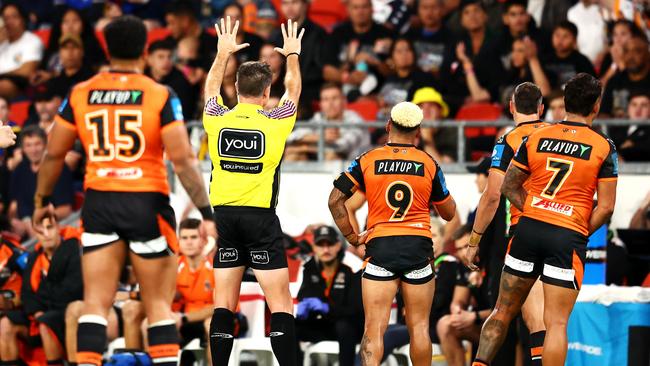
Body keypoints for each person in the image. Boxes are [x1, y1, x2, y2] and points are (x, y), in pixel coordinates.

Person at [32, 15, 215, 366]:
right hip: (146, 201)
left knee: (95, 304)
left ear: (105, 49)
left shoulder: (81, 93)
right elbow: (183, 161)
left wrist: (41, 200)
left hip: (100, 200)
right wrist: (206, 213)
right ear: (145, 50)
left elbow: (54, 153)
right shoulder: (160, 94)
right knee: (158, 304)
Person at [469, 73, 618, 366]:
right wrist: (576, 229)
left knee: (501, 310)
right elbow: (607, 207)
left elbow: (507, 187)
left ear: (563, 103)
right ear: (597, 106)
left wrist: (537, 211)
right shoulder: (604, 146)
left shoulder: (536, 137)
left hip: (527, 230)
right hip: (566, 236)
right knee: (556, 324)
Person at [202, 17, 303, 366]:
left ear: (236, 87)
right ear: (265, 92)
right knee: (280, 304)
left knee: (222, 303)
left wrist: (222, 54)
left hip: (224, 219)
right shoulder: (276, 121)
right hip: (260, 220)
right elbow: (294, 91)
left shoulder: (216, 117)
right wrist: (292, 55)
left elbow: (210, 91)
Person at [328, 101, 457, 366]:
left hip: (381, 247)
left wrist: (353, 238)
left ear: (388, 126)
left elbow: (334, 201)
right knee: (419, 327)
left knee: (373, 329)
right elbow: (449, 213)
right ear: (418, 131)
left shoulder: (367, 159)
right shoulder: (428, 163)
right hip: (418, 247)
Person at [464, 82, 550, 366]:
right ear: (541, 108)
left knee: (505, 310)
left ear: (511, 107)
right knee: (548, 320)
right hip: (561, 231)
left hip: (525, 231)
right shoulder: (557, 135)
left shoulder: (509, 140)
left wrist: (473, 241)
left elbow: (491, 196)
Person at [0, 215, 82, 366]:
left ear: (58, 228)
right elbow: (27, 293)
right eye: (40, 230)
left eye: (49, 228)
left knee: (46, 322)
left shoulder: (74, 249)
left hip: (66, 310)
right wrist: (36, 311)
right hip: (38, 313)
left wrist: (40, 305)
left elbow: (72, 290)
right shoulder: (34, 257)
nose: (46, 234)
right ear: (35, 234)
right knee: (5, 324)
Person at [296, 225, 363, 366]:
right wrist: (304, 306)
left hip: (351, 328)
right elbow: (304, 294)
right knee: (291, 326)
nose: (326, 250)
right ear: (314, 247)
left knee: (344, 326)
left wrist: (327, 308)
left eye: (330, 244)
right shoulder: (309, 268)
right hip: (324, 325)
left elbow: (355, 310)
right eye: (321, 245)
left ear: (338, 245)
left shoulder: (352, 267)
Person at [438, 225, 493, 366]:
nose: (464, 253)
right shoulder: (465, 265)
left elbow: (506, 310)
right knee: (445, 325)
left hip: (502, 326)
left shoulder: (494, 263)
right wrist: (457, 309)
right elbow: (459, 300)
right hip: (480, 324)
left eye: (466, 246)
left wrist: (474, 316)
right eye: (459, 249)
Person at [9, 126, 74, 238]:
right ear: (23, 149)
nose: (33, 150)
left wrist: (40, 222)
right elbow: (14, 206)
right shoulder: (20, 169)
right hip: (26, 233)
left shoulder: (59, 168)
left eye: (37, 144)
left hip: (54, 229)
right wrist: (14, 222)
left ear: (45, 145)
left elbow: (66, 210)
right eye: (28, 145)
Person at [286, 83, 369, 161]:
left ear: (344, 101)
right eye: (325, 99)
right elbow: (290, 137)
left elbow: (340, 147)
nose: (330, 104)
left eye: (334, 98)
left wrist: (304, 147)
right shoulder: (320, 117)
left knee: (332, 156)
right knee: (293, 155)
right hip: (325, 160)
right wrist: (320, 137)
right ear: (321, 104)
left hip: (356, 169)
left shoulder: (355, 120)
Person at [270, 0, 327, 113]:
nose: (289, 7)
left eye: (294, 2)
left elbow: (321, 69)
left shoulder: (319, 33)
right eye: (285, 3)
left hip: (309, 95)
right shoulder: (276, 35)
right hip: (279, 92)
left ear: (305, 5)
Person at [0, 3, 44, 99]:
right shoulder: (2, 42)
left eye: (14, 17)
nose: (9, 22)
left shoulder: (32, 40)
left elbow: (27, 71)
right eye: (6, 18)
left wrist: (5, 74)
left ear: (23, 19)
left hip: (19, 86)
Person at [600, 33, 650, 117]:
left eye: (637, 51)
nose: (631, 57)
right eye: (627, 51)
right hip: (619, 129)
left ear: (647, 55)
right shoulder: (615, 81)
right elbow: (604, 114)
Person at [145, 39, 197, 120]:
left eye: (169, 57)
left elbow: (184, 114)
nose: (166, 61)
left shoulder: (181, 82)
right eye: (160, 57)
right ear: (149, 59)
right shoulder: (142, 79)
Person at [542, 21, 596, 89]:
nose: (560, 40)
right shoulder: (544, 58)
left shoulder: (582, 61)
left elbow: (592, 86)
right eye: (557, 35)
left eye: (565, 36)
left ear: (574, 40)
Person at [404, 0, 453, 76]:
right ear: (418, 11)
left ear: (442, 10)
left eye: (434, 7)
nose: (429, 13)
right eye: (424, 7)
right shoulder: (409, 36)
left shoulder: (451, 38)